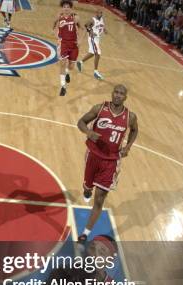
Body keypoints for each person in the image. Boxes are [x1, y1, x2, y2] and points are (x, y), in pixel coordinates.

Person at [76, 85, 138, 242]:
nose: (117, 95)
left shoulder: (130, 117)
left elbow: (134, 130)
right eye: (116, 92)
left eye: (121, 93)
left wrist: (128, 146)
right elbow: (81, 122)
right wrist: (88, 132)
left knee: (99, 199)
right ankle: (87, 189)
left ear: (125, 97)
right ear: (112, 93)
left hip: (111, 161)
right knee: (87, 188)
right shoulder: (99, 108)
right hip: (93, 155)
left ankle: (85, 233)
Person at [53, 0, 82, 96]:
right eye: (64, 7)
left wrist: (80, 39)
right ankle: (63, 86)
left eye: (68, 7)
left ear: (70, 8)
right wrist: (57, 37)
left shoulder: (75, 17)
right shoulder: (59, 17)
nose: (66, 8)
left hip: (73, 45)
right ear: (62, 8)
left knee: (71, 66)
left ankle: (67, 72)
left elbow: (81, 28)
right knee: (62, 63)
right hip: (63, 44)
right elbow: (55, 27)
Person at [77, 8, 107, 80]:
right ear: (96, 13)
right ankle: (95, 72)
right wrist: (90, 32)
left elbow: (102, 26)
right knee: (98, 53)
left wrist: (105, 30)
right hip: (92, 39)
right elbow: (86, 25)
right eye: (99, 13)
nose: (100, 14)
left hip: (97, 39)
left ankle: (80, 62)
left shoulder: (101, 19)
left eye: (101, 13)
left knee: (92, 53)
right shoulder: (92, 20)